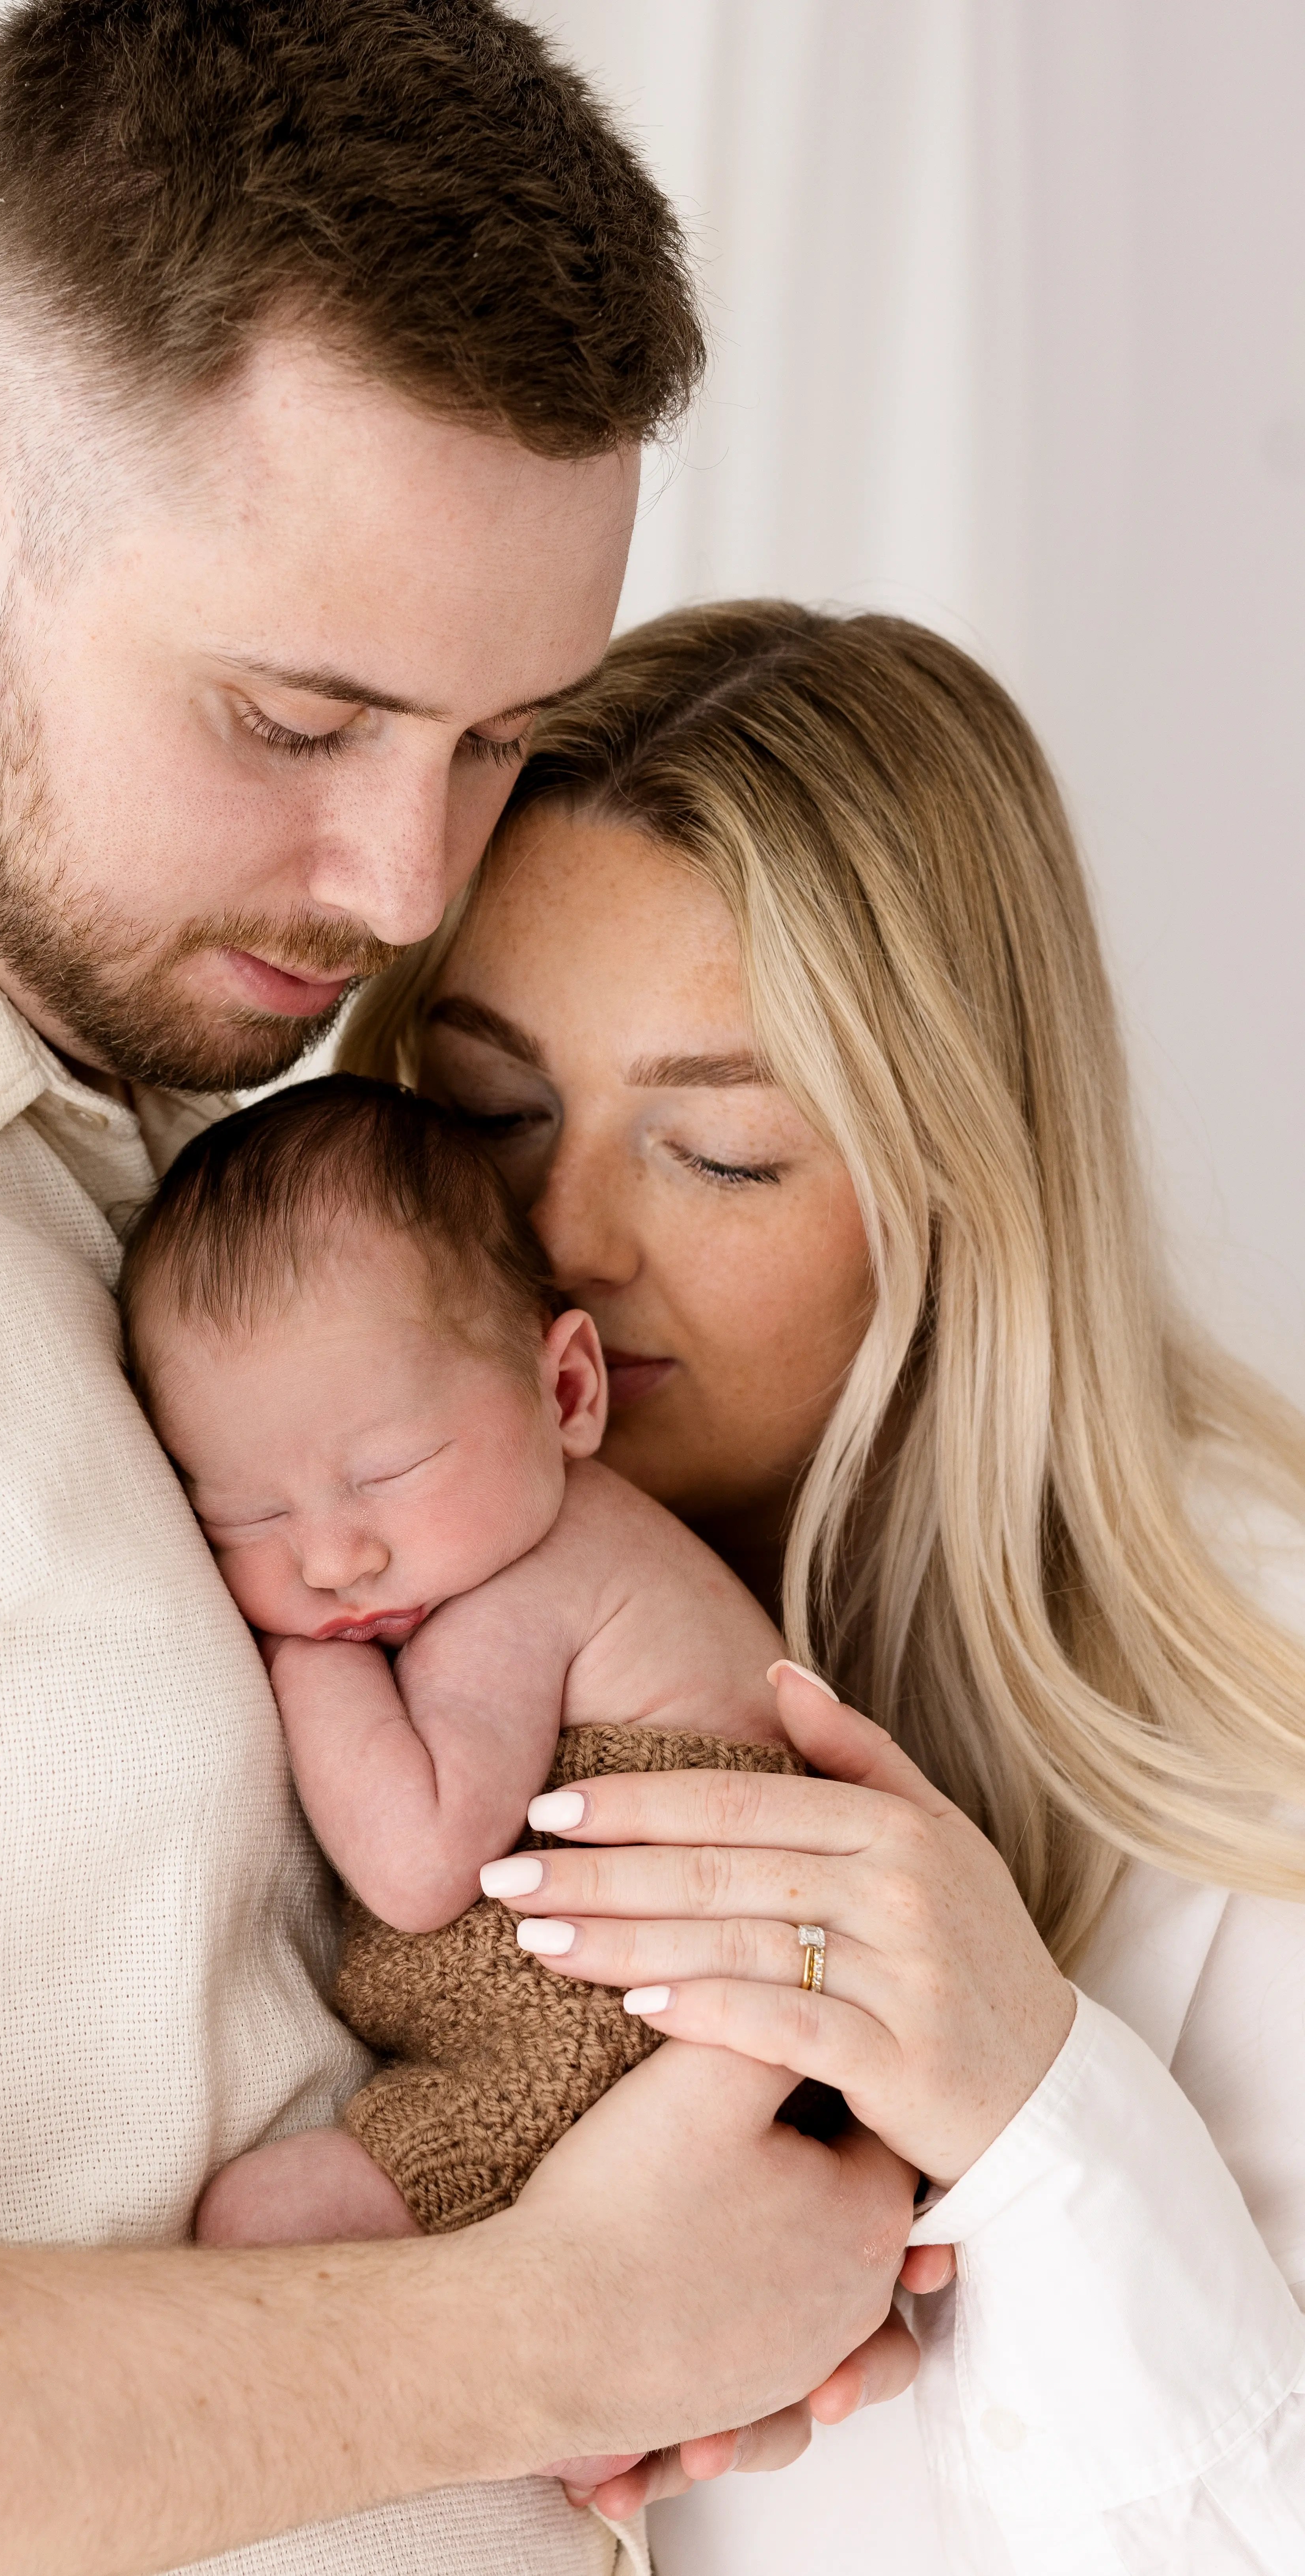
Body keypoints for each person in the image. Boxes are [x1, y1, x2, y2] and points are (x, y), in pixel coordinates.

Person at [0, 11, 922, 2572]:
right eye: (292, 717)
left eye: (488, 741)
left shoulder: (169, 1130)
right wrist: (560, 2325)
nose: (394, 880)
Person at [343, 598, 1305, 2571]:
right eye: (492, 1111)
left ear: (964, 1183)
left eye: (718, 1152)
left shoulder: (1253, 1717)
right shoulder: (334, 1567)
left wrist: (1038, 2110)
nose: (557, 1237)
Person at [117, 1073, 792, 2262]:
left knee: (259, 2224)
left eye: (389, 1470)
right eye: (243, 1513)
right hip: (635, 2044)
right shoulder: (493, 1542)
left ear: (567, 1390)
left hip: (609, 2052)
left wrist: (300, 1662)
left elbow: (426, 1863)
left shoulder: (543, 1579)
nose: (331, 1555)